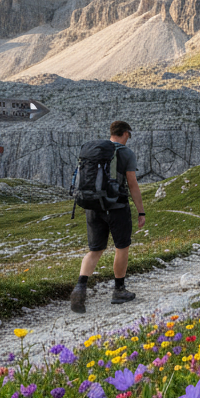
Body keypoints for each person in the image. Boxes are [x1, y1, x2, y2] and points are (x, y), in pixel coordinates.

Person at [71, 121, 145, 313]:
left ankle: (80, 288)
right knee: (122, 247)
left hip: (94, 207)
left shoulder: (95, 152)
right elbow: (133, 184)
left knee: (95, 250)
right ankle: (119, 290)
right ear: (126, 133)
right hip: (117, 207)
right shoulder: (126, 153)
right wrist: (141, 211)